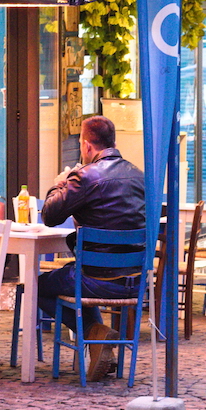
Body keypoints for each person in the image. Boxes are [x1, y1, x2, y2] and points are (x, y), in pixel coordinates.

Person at [40, 115, 145, 380]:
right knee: (72, 276)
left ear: (86, 146)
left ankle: (95, 332)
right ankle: (97, 340)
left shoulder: (84, 177)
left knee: (37, 287)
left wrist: (61, 182)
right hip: (135, 279)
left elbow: (50, 216)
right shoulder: (140, 177)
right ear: (114, 142)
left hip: (94, 279)